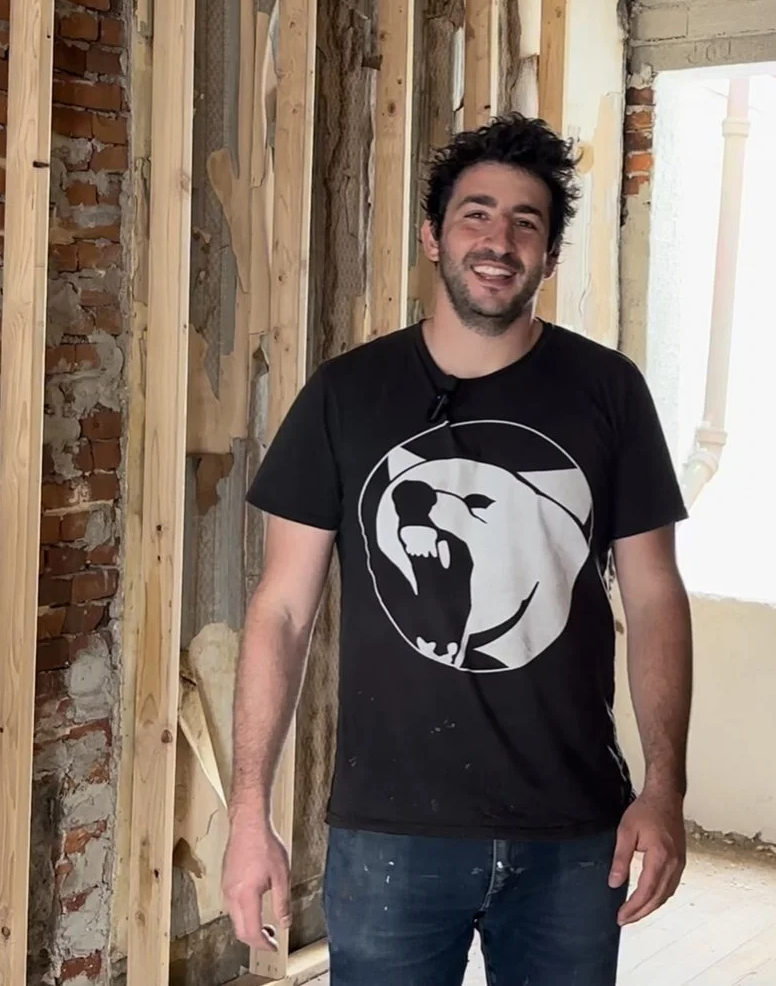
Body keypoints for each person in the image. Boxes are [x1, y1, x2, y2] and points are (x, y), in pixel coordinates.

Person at [222, 114, 693, 986]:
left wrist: (664, 788)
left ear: (548, 256)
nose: (498, 240)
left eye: (526, 222)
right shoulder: (345, 395)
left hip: (571, 827)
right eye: (476, 214)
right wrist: (249, 810)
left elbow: (656, 594)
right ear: (433, 235)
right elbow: (281, 610)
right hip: (392, 832)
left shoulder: (607, 392)